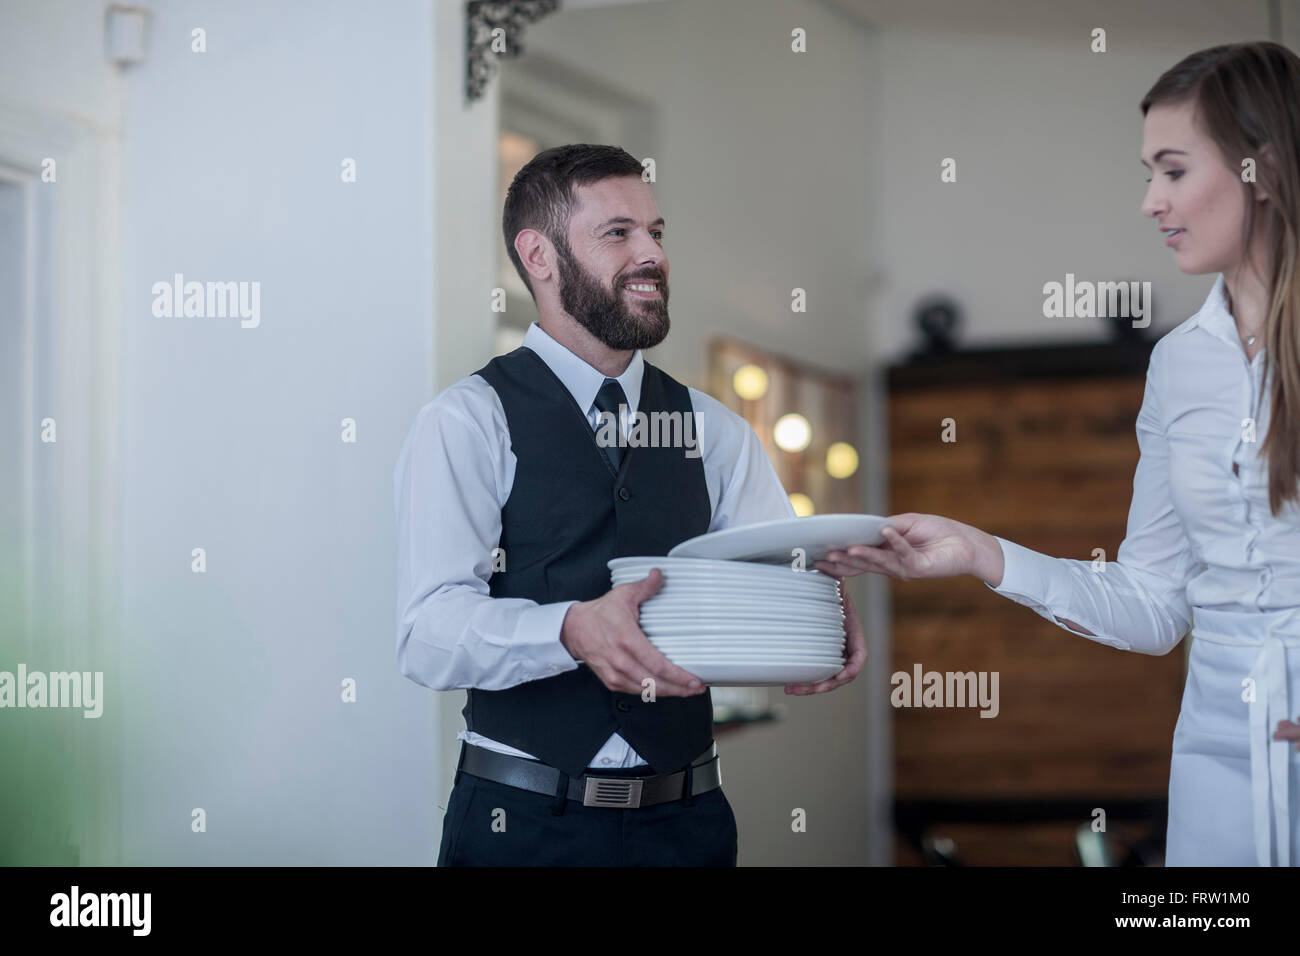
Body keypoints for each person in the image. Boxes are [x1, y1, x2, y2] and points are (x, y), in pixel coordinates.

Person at [819, 41, 1300, 867]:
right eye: (1146, 171)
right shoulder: (1180, 364)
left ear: (1261, 166)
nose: (1151, 200)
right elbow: (1154, 606)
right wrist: (980, 552)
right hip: (1216, 770)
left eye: (1174, 170)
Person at [395, 144, 866, 866]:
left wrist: (815, 615)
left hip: (689, 825)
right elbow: (428, 633)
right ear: (539, 256)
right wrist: (570, 631)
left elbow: (777, 577)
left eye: (656, 232)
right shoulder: (467, 421)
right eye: (618, 233)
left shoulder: (715, 430)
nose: (651, 254)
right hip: (521, 827)